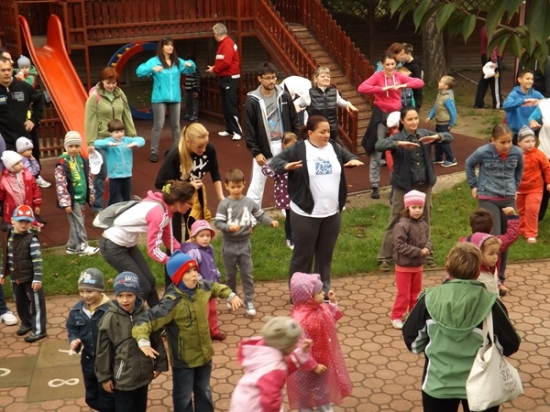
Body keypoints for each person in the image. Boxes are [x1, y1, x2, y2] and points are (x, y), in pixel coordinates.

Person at [403, 242, 521, 412]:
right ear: (478, 272)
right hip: (482, 386)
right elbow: (510, 344)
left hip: (437, 384)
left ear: (447, 265)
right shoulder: (491, 304)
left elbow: (413, 343)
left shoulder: (427, 299)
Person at [133, 251, 243, 412]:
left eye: (195, 270)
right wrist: (143, 340)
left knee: (204, 390)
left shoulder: (202, 287)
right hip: (184, 361)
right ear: (177, 277)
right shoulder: (171, 303)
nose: (194, 275)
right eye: (187, 272)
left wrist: (230, 295)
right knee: (183, 396)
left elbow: (215, 287)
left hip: (205, 354)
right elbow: (147, 320)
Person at [271, 115, 363, 298]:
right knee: (303, 257)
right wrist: (287, 166)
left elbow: (349, 157)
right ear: (310, 133)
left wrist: (352, 161)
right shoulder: (299, 149)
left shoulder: (334, 147)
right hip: (306, 213)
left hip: (332, 213)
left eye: (328, 131)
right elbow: (276, 163)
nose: (327, 135)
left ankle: (322, 291)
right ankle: (299, 294)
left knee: (325, 256)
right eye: (322, 132)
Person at [374, 107, 451, 271]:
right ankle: (384, 257)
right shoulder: (397, 137)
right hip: (404, 186)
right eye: (410, 119)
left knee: (425, 220)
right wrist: (398, 144)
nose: (414, 122)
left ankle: (427, 254)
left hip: (424, 185)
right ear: (402, 121)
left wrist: (437, 137)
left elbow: (448, 137)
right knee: (395, 220)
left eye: (416, 118)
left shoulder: (424, 134)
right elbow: (379, 145)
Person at [99, 180, 195, 308]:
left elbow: (167, 237)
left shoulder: (165, 209)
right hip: (112, 246)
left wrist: (183, 253)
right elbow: (153, 250)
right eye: (190, 203)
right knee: (142, 287)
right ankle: (125, 317)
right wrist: (173, 262)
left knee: (150, 281)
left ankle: (157, 315)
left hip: (127, 244)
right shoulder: (158, 213)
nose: (191, 207)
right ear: (179, 202)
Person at [96, 272, 168, 412]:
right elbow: (102, 351)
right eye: (120, 296)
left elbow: (156, 340)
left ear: (137, 294)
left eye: (130, 295)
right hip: (122, 378)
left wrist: (160, 364)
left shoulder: (146, 314)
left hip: (143, 375)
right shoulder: (109, 319)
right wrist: (104, 377)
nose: (125, 300)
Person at [465, 124, 523, 295]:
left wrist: (514, 187)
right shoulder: (483, 151)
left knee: (506, 240)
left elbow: (519, 170)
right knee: (493, 240)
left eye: (509, 142)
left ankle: (500, 278)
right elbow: (469, 164)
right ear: (493, 140)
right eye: (502, 142)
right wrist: (473, 185)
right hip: (488, 197)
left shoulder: (517, 153)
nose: (506, 146)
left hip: (508, 198)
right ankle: (487, 276)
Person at [358, 53, 424, 199]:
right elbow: (362, 88)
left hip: (396, 117)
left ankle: (396, 184)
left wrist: (404, 85)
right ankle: (374, 185)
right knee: (377, 150)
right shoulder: (377, 76)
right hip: (381, 115)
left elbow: (419, 82)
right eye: (387, 64)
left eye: (392, 64)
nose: (390, 67)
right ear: (382, 65)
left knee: (397, 150)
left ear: (396, 65)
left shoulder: (398, 76)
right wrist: (382, 89)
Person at [214, 168, 279, 316]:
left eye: (239, 186)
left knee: (247, 275)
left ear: (244, 184)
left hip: (245, 244)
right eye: (233, 187)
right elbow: (218, 223)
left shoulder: (248, 202)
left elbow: (260, 214)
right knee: (230, 275)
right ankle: (231, 297)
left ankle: (249, 301)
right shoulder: (224, 204)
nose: (236, 190)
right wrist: (229, 228)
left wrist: (270, 221)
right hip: (229, 245)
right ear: (226, 186)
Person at [287, 273, 352, 411]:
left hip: (323, 359)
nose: (323, 294)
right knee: (304, 393)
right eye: (319, 292)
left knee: (324, 391)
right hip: (305, 367)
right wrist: (313, 365)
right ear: (308, 297)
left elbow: (330, 317)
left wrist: (333, 302)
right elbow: (300, 345)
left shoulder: (320, 307)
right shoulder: (299, 319)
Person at [244, 61, 300, 209]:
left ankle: (290, 212)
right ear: (259, 78)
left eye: (274, 77)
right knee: (257, 184)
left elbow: (294, 120)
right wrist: (256, 152)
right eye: (267, 78)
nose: (271, 81)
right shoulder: (252, 100)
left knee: (287, 181)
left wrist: (294, 143)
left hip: (284, 145)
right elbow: (249, 129)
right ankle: (251, 217)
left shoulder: (284, 96)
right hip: (264, 147)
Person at [155, 122, 224, 242]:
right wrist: (185, 186)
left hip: (193, 197)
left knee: (194, 233)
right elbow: (160, 184)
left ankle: (191, 253)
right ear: (188, 142)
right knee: (174, 238)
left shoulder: (209, 149)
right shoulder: (175, 155)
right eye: (199, 147)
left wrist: (220, 196)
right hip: (174, 199)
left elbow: (215, 172)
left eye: (205, 145)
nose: (204, 149)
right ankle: (172, 254)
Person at [229, 317, 312, 412]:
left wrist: (302, 352)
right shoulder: (274, 370)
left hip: (244, 400)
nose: (297, 344)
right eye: (295, 342)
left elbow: (283, 366)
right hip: (255, 407)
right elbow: (270, 402)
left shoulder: (265, 351)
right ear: (286, 346)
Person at [85, 67, 137, 212]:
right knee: (101, 173)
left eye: (114, 83)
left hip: (119, 139)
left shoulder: (120, 94)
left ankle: (118, 204)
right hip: (102, 139)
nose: (111, 86)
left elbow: (126, 114)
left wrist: (132, 135)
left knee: (119, 170)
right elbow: (90, 119)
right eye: (108, 83)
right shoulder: (95, 97)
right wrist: (90, 142)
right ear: (102, 81)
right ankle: (97, 206)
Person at [136, 37, 195, 162]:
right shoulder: (155, 61)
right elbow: (139, 72)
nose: (170, 47)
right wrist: (152, 69)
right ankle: (154, 151)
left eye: (171, 45)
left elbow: (191, 69)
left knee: (176, 125)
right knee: (158, 125)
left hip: (175, 98)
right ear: (161, 47)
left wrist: (190, 64)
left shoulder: (177, 61)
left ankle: (177, 151)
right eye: (167, 45)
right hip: (159, 98)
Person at [66, 268, 115, 412]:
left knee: (108, 393)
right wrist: (74, 340)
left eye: (89, 291)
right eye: (82, 291)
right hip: (88, 358)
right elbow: (72, 328)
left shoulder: (111, 310)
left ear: (100, 290)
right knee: (91, 392)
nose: (85, 295)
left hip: (108, 360)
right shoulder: (77, 310)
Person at [1, 205, 46, 341]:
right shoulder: (9, 237)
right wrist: (2, 273)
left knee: (36, 304)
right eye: (20, 221)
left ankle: (39, 330)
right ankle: (27, 323)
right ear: (12, 220)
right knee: (20, 303)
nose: (24, 224)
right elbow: (6, 256)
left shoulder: (31, 239)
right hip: (16, 277)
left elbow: (37, 260)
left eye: (27, 221)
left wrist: (37, 278)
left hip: (30, 278)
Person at [390, 190, 432, 329]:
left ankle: (413, 315)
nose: (417, 210)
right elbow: (399, 245)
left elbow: (428, 239)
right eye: (414, 207)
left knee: (415, 293)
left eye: (420, 207)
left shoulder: (423, 224)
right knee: (404, 294)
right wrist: (419, 252)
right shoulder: (402, 225)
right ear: (407, 207)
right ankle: (397, 316)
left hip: (418, 266)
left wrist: (427, 247)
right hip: (404, 266)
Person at [179, 220, 226, 341]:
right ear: (194, 237)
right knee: (203, 313)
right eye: (201, 236)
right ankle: (202, 336)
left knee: (212, 310)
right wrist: (201, 283)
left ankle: (214, 332)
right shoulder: (193, 252)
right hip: (200, 288)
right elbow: (192, 271)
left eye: (208, 235)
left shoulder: (209, 248)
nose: (205, 238)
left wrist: (217, 276)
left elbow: (211, 264)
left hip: (210, 286)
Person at [54, 132, 99, 256]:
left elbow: (88, 178)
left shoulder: (83, 160)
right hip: (72, 199)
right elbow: (60, 184)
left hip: (82, 196)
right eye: (71, 146)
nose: (74, 149)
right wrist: (65, 202)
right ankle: (82, 247)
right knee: (78, 223)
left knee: (77, 222)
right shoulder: (62, 163)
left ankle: (72, 246)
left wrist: (91, 193)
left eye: (77, 146)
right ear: (65, 147)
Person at [460, 207, 519, 297]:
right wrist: (512, 216)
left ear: (472, 227)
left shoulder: (464, 243)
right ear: (491, 229)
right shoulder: (494, 243)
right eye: (491, 253)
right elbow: (512, 235)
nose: (495, 256)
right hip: (488, 283)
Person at [294, 66, 358, 144]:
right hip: (316, 132)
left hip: (331, 132)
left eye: (328, 76)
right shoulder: (309, 93)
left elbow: (341, 102)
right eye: (323, 76)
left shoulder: (334, 92)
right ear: (315, 79)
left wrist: (348, 104)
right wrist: (296, 107)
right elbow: (296, 103)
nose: (326, 78)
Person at [93, 119, 145, 205]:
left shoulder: (127, 140)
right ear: (110, 133)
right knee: (114, 197)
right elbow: (96, 143)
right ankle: (111, 211)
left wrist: (135, 143)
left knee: (127, 197)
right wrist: (109, 144)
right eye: (116, 132)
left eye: (121, 131)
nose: (120, 134)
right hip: (114, 176)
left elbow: (141, 139)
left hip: (127, 174)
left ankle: (126, 211)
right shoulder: (108, 142)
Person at [262, 131, 298, 249]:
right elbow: (266, 169)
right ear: (284, 145)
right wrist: (277, 170)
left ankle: (298, 236)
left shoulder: (297, 157)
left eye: (295, 145)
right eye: (290, 145)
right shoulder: (279, 159)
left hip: (297, 192)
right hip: (285, 193)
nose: (293, 148)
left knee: (298, 216)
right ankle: (290, 239)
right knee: (290, 216)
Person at [0, 56, 44, 154]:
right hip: (3, 143)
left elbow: (39, 99)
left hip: (24, 141)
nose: (6, 73)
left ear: (12, 69)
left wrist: (33, 120)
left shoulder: (23, 87)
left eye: (8, 70)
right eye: (3, 70)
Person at [206, 23, 242, 140]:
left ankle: (237, 131)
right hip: (225, 76)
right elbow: (223, 61)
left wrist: (214, 69)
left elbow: (226, 62)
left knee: (230, 104)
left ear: (216, 34)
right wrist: (215, 68)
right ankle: (229, 128)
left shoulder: (226, 44)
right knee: (226, 103)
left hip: (230, 77)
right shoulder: (225, 43)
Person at [516, 126, 550, 243]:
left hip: (535, 188)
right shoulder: (515, 155)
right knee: (521, 210)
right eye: (527, 141)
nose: (531, 144)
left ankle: (531, 234)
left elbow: (547, 168)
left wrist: (549, 182)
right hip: (519, 188)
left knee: (532, 210)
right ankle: (521, 230)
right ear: (519, 143)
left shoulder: (539, 154)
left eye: (533, 141)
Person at [0, 150, 42, 230]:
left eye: (20, 162)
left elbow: (35, 189)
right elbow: (1, 194)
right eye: (17, 163)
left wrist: (37, 204)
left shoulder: (28, 175)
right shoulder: (4, 181)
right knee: (14, 228)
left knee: (27, 226)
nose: (21, 165)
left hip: (26, 207)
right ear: (10, 167)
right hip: (12, 210)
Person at [503, 70, 544, 144]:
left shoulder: (536, 94)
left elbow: (546, 104)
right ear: (520, 80)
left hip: (532, 132)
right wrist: (524, 101)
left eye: (532, 79)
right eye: (527, 79)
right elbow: (506, 105)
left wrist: (542, 102)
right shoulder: (514, 94)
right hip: (517, 133)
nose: (530, 81)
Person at [425, 75, 458, 167]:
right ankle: (438, 157)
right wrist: (430, 116)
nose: (438, 83)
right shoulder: (440, 94)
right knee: (437, 140)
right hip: (439, 122)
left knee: (444, 141)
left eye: (441, 82)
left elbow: (453, 112)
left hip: (445, 123)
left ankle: (451, 159)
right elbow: (435, 107)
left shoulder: (447, 98)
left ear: (446, 86)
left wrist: (451, 123)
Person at [529, 95, 550, 222]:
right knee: (543, 187)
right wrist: (532, 122)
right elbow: (532, 118)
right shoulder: (545, 105)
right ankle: (537, 216)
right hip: (545, 153)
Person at [474, 25, 502, 109]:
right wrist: (494, 61)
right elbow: (492, 45)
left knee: (485, 79)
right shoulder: (491, 30)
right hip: (492, 58)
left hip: (485, 56)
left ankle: (479, 102)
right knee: (495, 80)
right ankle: (497, 104)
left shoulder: (484, 28)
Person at [402, 43, 423, 110]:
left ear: (409, 54)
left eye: (403, 54)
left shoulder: (415, 66)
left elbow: (417, 82)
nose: (402, 57)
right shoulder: (405, 64)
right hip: (407, 94)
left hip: (414, 96)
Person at [182, 55, 201, 122]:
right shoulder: (187, 70)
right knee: (188, 102)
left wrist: (197, 90)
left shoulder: (195, 70)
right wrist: (184, 84)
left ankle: (195, 115)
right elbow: (186, 78)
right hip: (188, 88)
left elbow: (198, 80)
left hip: (194, 89)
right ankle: (188, 114)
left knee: (195, 103)